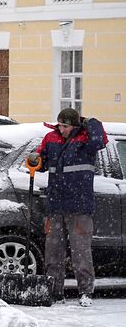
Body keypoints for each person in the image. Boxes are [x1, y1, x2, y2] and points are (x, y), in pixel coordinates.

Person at [28, 108, 107, 307]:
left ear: (74, 125)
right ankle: (55, 292)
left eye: (65, 125)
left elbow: (100, 140)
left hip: (79, 207)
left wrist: (90, 121)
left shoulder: (86, 139)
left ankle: (85, 293)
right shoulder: (51, 138)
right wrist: (34, 161)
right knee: (53, 253)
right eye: (60, 125)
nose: (61, 129)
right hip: (55, 206)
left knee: (81, 253)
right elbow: (42, 163)